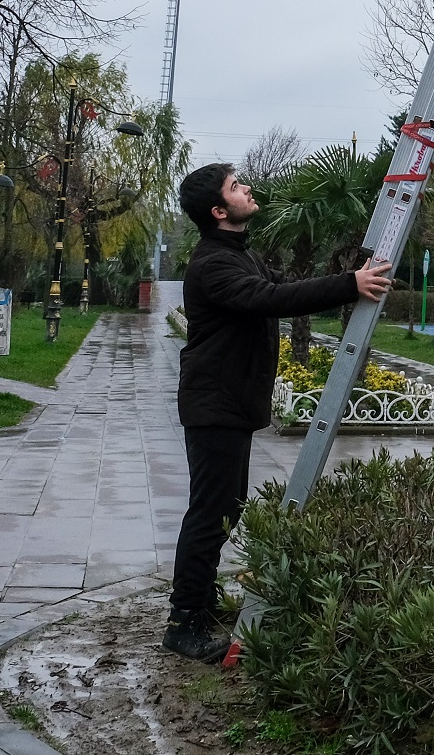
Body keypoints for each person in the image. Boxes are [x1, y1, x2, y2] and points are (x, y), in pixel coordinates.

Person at [165, 161, 393, 663]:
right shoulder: (213, 263)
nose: (248, 188)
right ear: (220, 210)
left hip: (229, 403)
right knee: (209, 513)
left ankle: (198, 602)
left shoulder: (237, 254)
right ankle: (184, 623)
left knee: (225, 508)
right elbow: (270, 299)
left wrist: (348, 274)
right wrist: (348, 284)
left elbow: (284, 284)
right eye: (235, 187)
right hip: (215, 404)